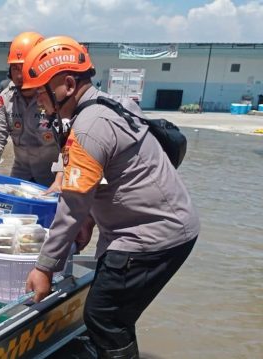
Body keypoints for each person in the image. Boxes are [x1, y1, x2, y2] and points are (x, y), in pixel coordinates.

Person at [21, 36, 200, 359]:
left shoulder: (89, 128)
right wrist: (90, 221)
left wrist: (44, 268)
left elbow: (72, 204)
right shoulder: (107, 104)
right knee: (114, 314)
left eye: (41, 95)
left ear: (68, 85)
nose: (40, 105)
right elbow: (98, 182)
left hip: (151, 236)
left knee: (102, 316)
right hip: (168, 225)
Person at [0, 31, 63, 192]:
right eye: (15, 68)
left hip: (53, 178)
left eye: (24, 67)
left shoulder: (55, 98)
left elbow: (69, 144)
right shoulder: (5, 99)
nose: (19, 75)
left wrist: (60, 180)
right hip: (21, 176)